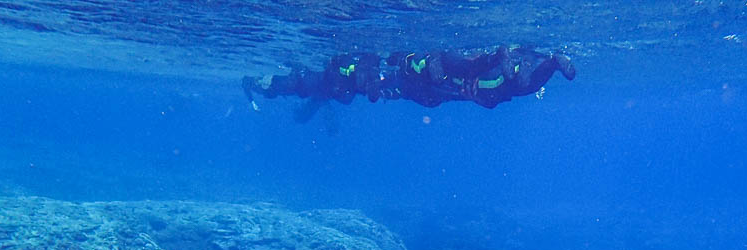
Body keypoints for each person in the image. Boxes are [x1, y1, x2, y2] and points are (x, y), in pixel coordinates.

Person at [242, 46, 574, 113]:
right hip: (433, 83)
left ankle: (269, 86)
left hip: (421, 82)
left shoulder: (517, 86)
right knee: (322, 89)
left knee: (338, 94)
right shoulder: (338, 79)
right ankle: (262, 83)